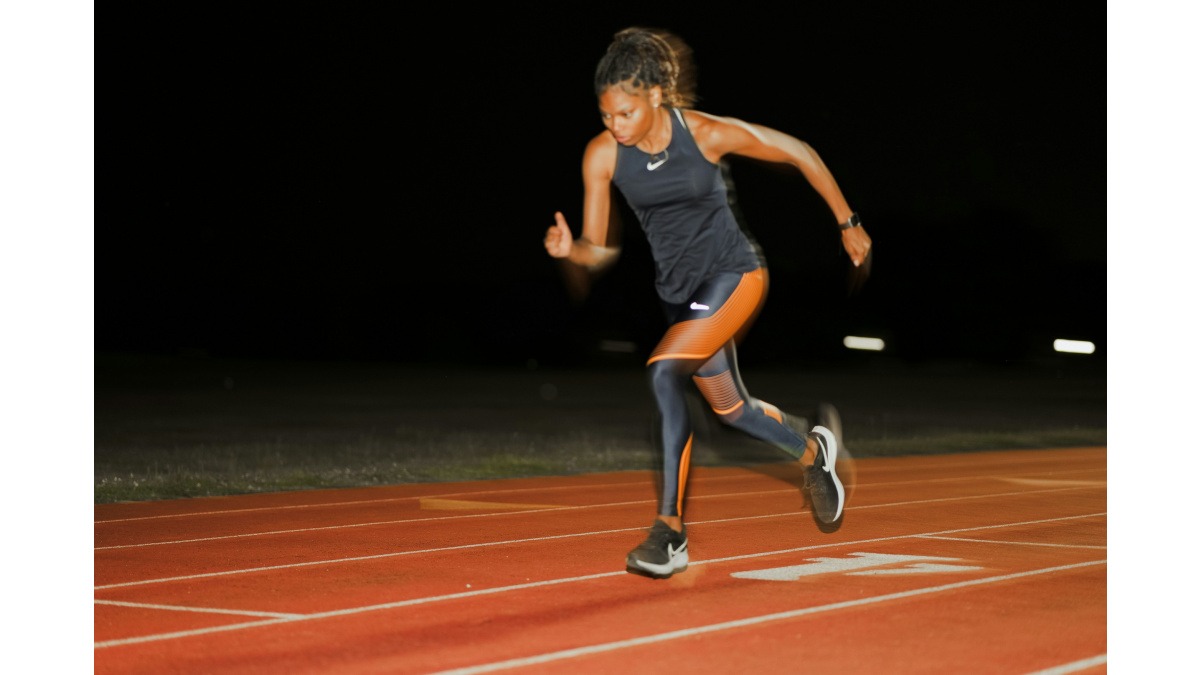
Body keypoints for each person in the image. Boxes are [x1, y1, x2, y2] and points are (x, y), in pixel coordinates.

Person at [543, 27, 872, 579]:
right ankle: (816, 454)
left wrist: (848, 222)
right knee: (732, 409)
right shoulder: (601, 155)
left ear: (653, 97)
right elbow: (600, 248)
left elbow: (800, 152)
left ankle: (669, 532)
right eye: (605, 116)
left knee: (663, 373)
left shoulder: (705, 134)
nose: (613, 126)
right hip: (681, 297)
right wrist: (572, 249)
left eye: (624, 113)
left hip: (736, 274)